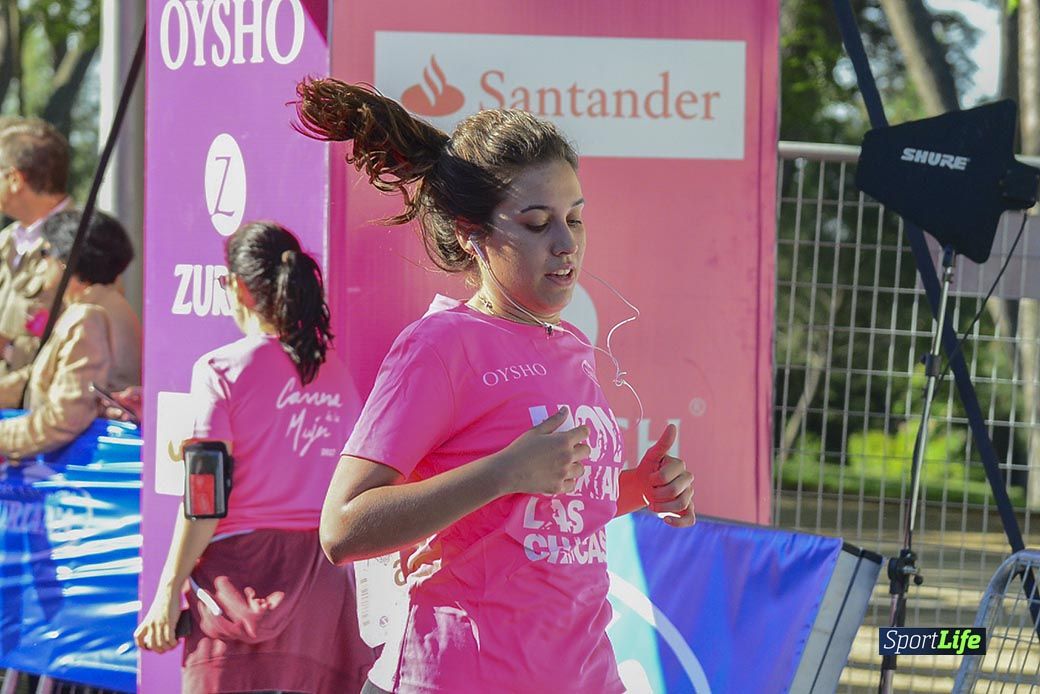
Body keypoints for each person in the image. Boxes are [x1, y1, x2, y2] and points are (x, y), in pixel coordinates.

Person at [296, 80, 696, 693]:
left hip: (585, 674)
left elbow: (543, 514)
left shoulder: (567, 346)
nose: (565, 243)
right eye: (537, 223)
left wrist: (639, 488)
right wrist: (503, 471)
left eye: (575, 218)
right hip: (461, 674)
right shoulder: (440, 346)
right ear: (471, 234)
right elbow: (342, 529)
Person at [134, 221, 374, 693]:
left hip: (237, 584)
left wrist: (166, 594)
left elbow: (205, 498)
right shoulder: (337, 376)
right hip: (324, 593)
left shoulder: (219, 371)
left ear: (239, 288)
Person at [0, 209, 140, 459]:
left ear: (64, 261)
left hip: (77, 476)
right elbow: (38, 379)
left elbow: (64, 418)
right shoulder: (106, 304)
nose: (41, 263)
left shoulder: (88, 316)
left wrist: (5, 436)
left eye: (45, 253)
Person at [0, 118, 73, 374]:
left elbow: (91, 346)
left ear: (15, 179)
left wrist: (10, 348)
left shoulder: (85, 246)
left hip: (45, 408)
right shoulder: (6, 241)